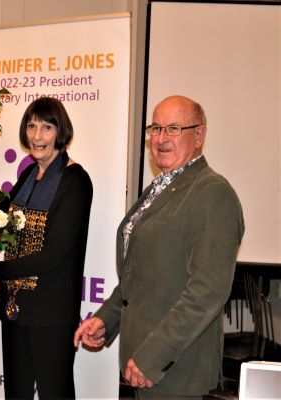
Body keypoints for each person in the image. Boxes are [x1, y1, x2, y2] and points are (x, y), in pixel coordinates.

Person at [74, 95, 244, 399]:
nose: (161, 138)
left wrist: (153, 357)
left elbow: (207, 293)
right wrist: (106, 320)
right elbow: (140, 278)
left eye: (174, 129)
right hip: (145, 367)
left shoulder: (211, 193)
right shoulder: (159, 189)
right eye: (156, 128)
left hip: (177, 373)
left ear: (199, 135)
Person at [0, 97, 93, 399]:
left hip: (51, 315)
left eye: (46, 127)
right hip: (15, 308)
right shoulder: (30, 175)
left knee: (55, 393)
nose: (37, 136)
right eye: (31, 126)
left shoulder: (76, 181)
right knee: (16, 393)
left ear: (61, 132)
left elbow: (54, 255)